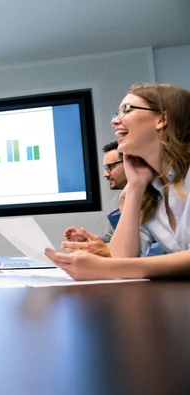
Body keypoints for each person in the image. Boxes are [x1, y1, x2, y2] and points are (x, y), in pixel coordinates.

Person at [46, 83, 190, 280]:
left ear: (161, 119)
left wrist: (108, 268)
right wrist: (135, 186)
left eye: (127, 110)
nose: (115, 121)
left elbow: (118, 264)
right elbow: (121, 256)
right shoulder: (151, 190)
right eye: (117, 113)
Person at [60, 141, 127, 257]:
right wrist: (86, 240)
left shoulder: (155, 199)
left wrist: (110, 251)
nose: (105, 174)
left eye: (110, 167)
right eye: (105, 168)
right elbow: (111, 239)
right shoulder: (118, 201)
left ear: (130, 163)